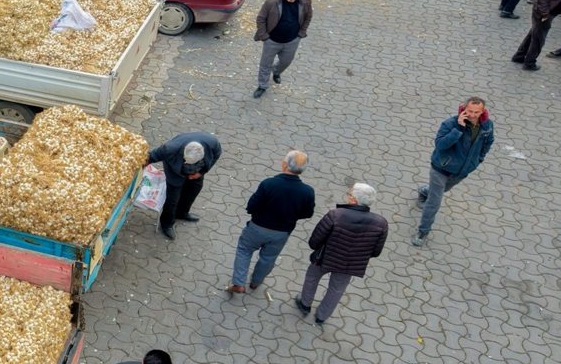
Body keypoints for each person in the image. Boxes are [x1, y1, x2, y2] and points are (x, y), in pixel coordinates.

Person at [295, 183, 388, 325]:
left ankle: (305, 304)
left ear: (354, 200)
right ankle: (322, 316)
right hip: (350, 264)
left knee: (312, 277)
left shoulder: (335, 215)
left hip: (325, 258)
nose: (348, 196)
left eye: (349, 194)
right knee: (337, 288)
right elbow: (376, 252)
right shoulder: (381, 223)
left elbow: (315, 241)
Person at [229, 151, 315, 294]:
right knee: (268, 258)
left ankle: (239, 283)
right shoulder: (307, 191)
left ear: (284, 164)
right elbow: (307, 213)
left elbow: (252, 206)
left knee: (244, 250)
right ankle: (256, 282)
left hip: (257, 227)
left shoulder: (269, 183)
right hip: (281, 233)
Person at [412, 98, 495, 247]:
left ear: (483, 111)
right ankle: (423, 231)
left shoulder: (487, 125)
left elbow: (489, 142)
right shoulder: (450, 123)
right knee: (434, 202)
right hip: (441, 169)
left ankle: (424, 191)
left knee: (439, 192)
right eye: (469, 111)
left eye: (477, 112)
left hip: (462, 171)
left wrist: (479, 159)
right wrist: (459, 129)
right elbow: (440, 144)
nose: (473, 115)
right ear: (463, 109)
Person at [147, 132, 221, 239]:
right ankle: (167, 223)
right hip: (176, 174)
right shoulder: (169, 148)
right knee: (172, 200)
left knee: (193, 191)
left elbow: (217, 154)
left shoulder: (212, 142)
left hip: (197, 172)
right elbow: (150, 157)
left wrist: (201, 173)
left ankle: (181, 213)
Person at [253, 0, 312, 99]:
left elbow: (308, 17)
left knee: (286, 62)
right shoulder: (272, 2)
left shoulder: (305, 2)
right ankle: (262, 86)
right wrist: (264, 36)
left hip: (292, 40)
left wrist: (301, 33)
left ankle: (276, 71)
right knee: (265, 64)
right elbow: (261, 19)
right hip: (272, 41)